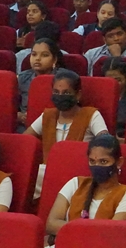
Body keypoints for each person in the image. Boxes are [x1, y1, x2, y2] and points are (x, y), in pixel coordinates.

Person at [43, 134, 126, 248]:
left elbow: (111, 234)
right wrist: (86, 232)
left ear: (119, 162)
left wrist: (72, 231)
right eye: (92, 161)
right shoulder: (76, 183)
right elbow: (51, 223)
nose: (97, 166)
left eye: (103, 162)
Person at [26, 69, 109, 199]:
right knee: (29, 175)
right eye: (56, 92)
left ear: (77, 95)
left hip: (78, 170)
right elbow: (26, 140)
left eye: (66, 93)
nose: (60, 96)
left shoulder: (91, 114)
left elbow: (105, 141)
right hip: (48, 171)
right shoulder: (48, 115)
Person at [17, 38, 61, 131]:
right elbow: (13, 104)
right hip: (25, 124)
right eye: (34, 54)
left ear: (54, 60)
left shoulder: (63, 78)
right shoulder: (21, 78)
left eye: (44, 55)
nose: (37, 58)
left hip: (55, 124)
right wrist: (18, 115)